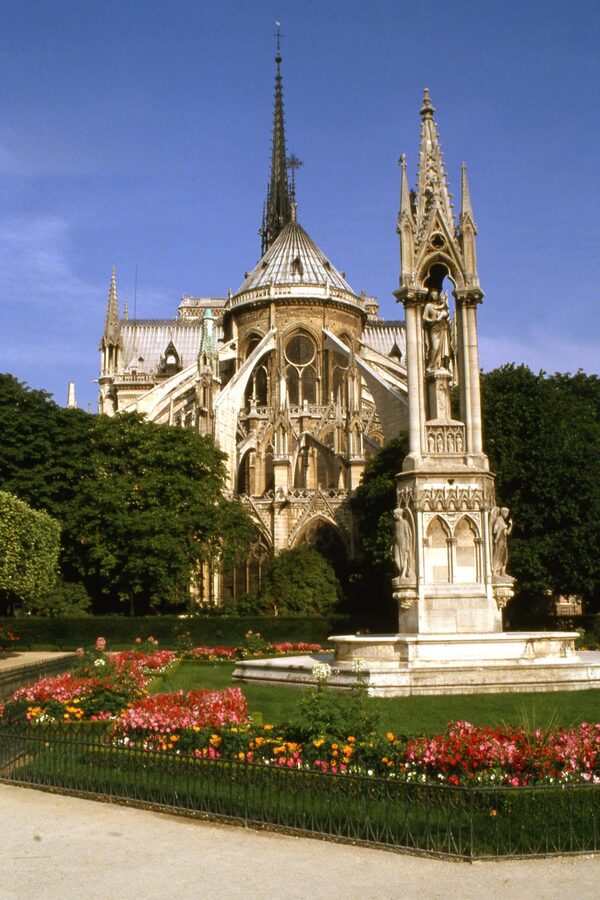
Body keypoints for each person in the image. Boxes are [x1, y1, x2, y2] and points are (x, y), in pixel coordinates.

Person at [423, 290, 452, 371]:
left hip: (443, 328)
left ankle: (442, 365)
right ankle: (431, 365)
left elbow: (446, 313)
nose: (435, 295)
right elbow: (424, 317)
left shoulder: (441, 306)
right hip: (433, 328)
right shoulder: (428, 306)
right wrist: (431, 320)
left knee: (444, 346)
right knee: (435, 347)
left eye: (436, 294)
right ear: (430, 296)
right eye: (433, 294)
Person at [491, 507, 513, 577]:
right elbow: (495, 530)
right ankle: (495, 571)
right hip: (499, 540)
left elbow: (507, 533)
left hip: (504, 541)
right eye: (506, 513)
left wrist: (510, 525)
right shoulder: (498, 519)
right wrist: (502, 527)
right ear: (503, 512)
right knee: (498, 555)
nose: (507, 515)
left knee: (504, 556)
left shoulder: (503, 521)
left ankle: (502, 572)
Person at [393, 507, 413, 579]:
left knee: (404, 558)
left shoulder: (405, 522)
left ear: (399, 514)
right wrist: (392, 545)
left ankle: (403, 574)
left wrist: (407, 544)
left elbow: (408, 535)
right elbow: (395, 535)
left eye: (395, 514)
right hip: (396, 544)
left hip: (403, 543)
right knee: (396, 559)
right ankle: (401, 572)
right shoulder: (396, 524)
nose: (394, 516)